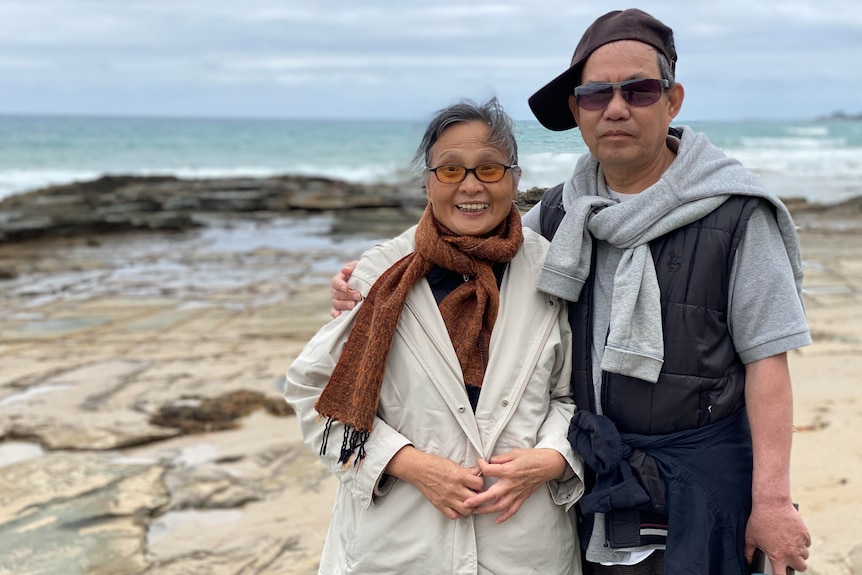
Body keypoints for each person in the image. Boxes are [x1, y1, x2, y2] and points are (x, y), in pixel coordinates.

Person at [330, 9, 812, 575]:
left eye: (638, 90)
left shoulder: (736, 214)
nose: (615, 108)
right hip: (589, 480)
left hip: (704, 480)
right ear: (576, 110)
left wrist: (773, 502)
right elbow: (473, 248)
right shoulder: (557, 216)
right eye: (595, 94)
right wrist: (373, 281)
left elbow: (768, 363)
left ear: (672, 100)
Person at [285, 97, 585, 575]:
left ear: (515, 177)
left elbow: (573, 395)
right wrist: (408, 464)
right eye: (450, 170)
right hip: (398, 546)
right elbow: (315, 396)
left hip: (524, 546)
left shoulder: (553, 271)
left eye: (489, 169)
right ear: (427, 181)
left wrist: (552, 458)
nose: (470, 186)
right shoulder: (380, 274)